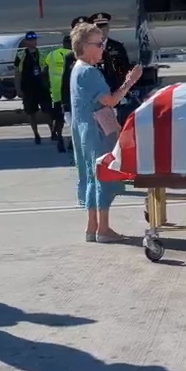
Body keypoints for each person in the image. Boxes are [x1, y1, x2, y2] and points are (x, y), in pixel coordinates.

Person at [70, 22, 142, 242]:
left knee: (92, 176)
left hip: (84, 129)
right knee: (102, 175)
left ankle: (93, 227)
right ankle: (103, 228)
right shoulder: (89, 72)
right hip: (97, 130)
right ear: (85, 46)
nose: (103, 47)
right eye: (99, 44)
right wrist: (129, 82)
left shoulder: (78, 69)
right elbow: (109, 100)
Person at [14, 31, 53, 144]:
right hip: (28, 88)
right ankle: (36, 134)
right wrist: (18, 89)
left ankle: (53, 132)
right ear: (26, 42)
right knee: (31, 113)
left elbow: (47, 70)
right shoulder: (21, 55)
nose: (33, 42)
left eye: (34, 39)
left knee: (48, 111)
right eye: (30, 40)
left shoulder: (42, 53)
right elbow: (17, 73)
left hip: (42, 87)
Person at [87, 12, 131, 91]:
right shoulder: (88, 47)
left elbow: (125, 68)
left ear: (108, 28)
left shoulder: (117, 47)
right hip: (94, 90)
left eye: (103, 27)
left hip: (115, 89)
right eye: (98, 28)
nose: (101, 30)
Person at [44, 35, 71, 152]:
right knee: (72, 119)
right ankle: (71, 141)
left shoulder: (52, 55)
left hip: (56, 92)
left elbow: (44, 70)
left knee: (59, 118)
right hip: (70, 92)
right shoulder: (75, 55)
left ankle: (59, 138)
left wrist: (47, 85)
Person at [61, 16, 88, 129]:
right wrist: (66, 107)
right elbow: (66, 83)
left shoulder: (102, 54)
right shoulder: (70, 57)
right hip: (78, 105)